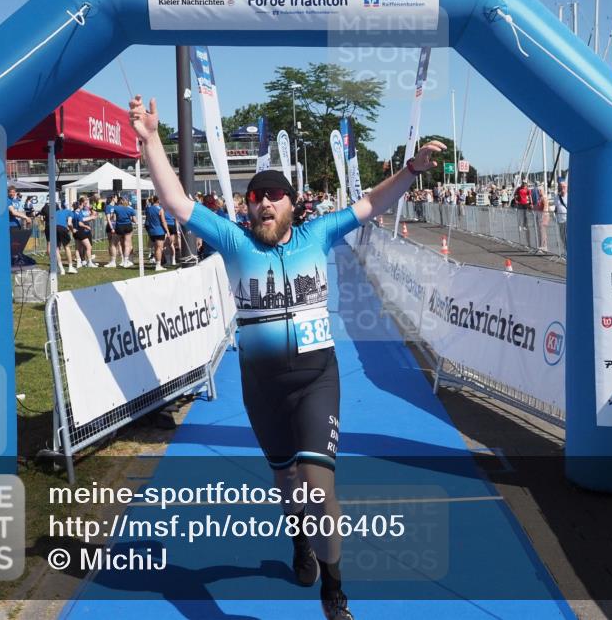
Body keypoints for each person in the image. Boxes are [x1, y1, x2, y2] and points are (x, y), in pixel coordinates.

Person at [130, 94, 444, 620]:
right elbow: (178, 203)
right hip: (262, 388)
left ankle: (335, 589)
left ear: (294, 205)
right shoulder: (234, 242)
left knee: (319, 489)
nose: (264, 203)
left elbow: (372, 202)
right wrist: (151, 140)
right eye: (257, 197)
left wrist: (411, 170)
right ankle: (300, 545)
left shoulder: (318, 233)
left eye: (275, 196)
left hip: (318, 380)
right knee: (289, 488)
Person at [145, 195, 169, 271]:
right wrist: (167, 231)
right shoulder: (160, 209)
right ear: (158, 200)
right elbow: (163, 221)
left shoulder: (148, 209)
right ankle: (158, 265)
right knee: (159, 248)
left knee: (156, 249)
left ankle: (157, 264)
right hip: (159, 231)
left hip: (151, 231)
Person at [112, 196, 136, 268]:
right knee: (127, 244)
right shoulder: (130, 209)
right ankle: (126, 261)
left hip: (119, 226)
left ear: (121, 201)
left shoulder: (116, 208)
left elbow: (113, 218)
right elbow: (134, 220)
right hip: (128, 226)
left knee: (115, 243)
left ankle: (117, 261)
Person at [555, 180, 568, 254]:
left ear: (567, 187)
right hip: (560, 220)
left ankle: (568, 252)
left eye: (564, 186)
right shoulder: (557, 197)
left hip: (567, 220)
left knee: (567, 237)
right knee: (562, 237)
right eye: (560, 186)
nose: (562, 188)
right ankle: (566, 251)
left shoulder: (569, 196)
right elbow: (556, 208)